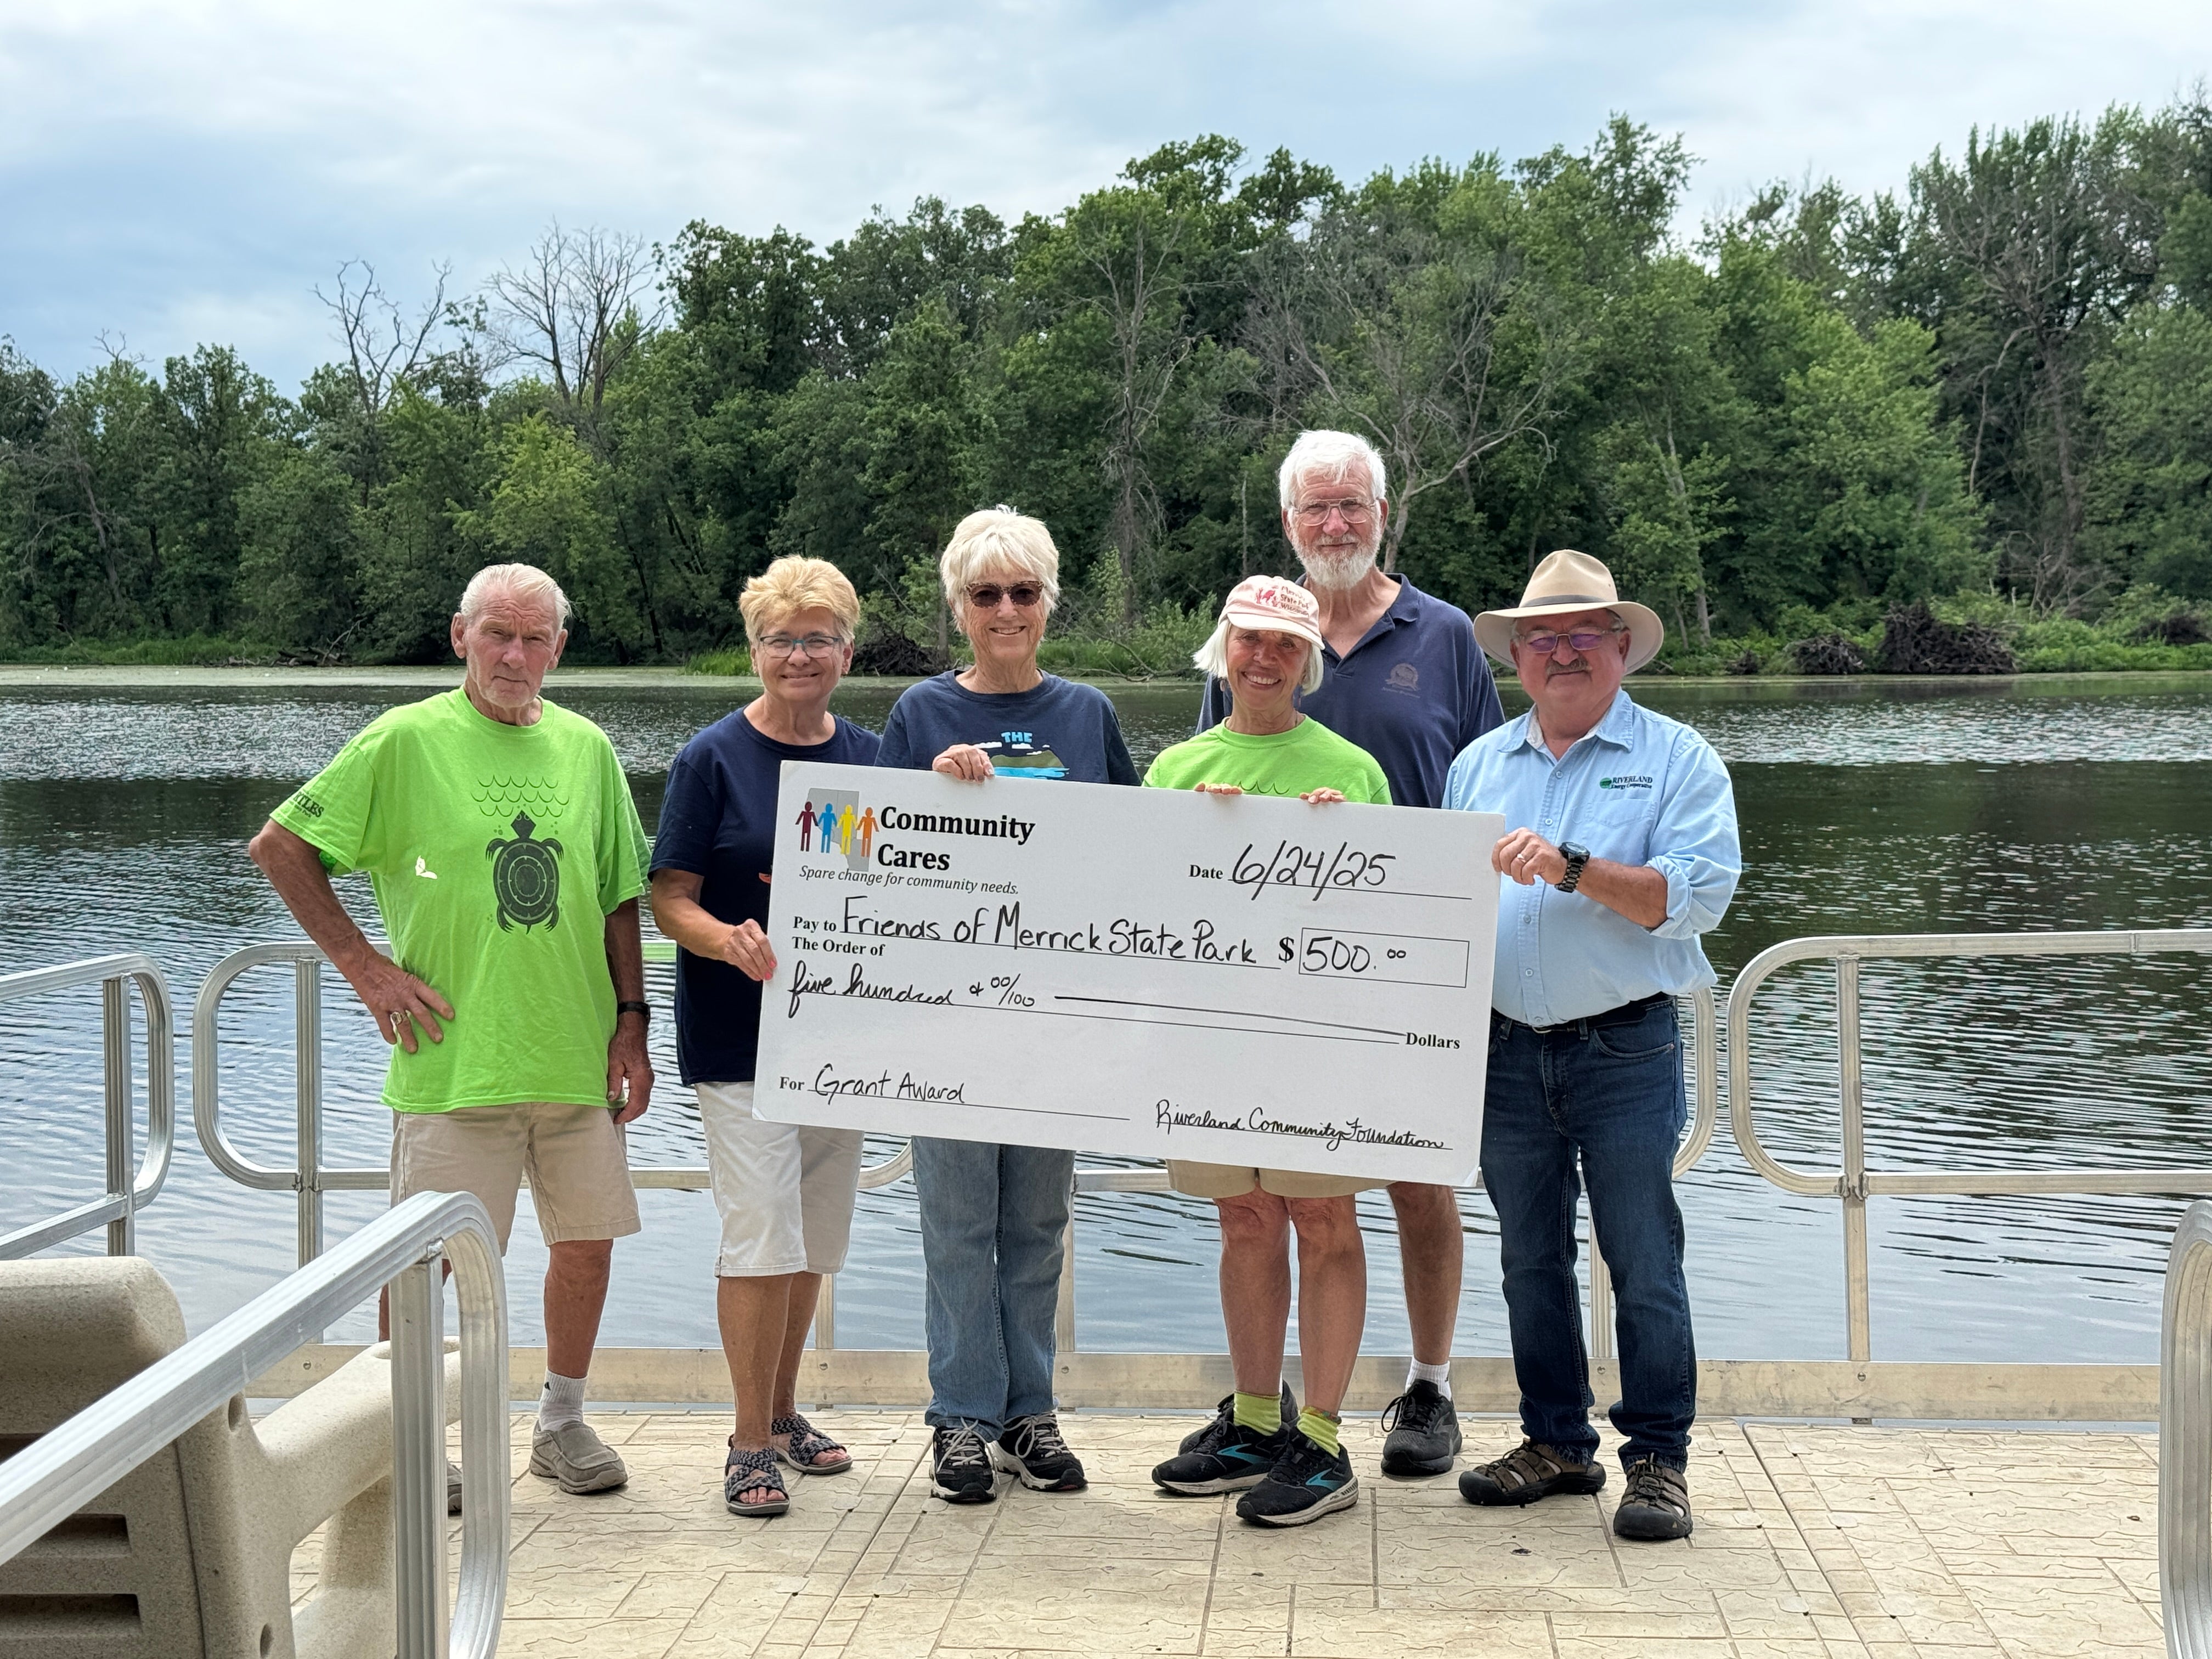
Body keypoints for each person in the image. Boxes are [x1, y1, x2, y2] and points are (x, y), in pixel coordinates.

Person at [248, 562, 652, 1508]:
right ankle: (412, 1442)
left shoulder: (587, 748)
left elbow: (619, 895)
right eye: (498, 634)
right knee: (422, 1265)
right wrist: (365, 967)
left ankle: (561, 1423)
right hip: (453, 1060)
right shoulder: (405, 741)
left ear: (559, 648)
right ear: (461, 635)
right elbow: (281, 847)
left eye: (535, 638)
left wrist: (633, 1024)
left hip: (576, 1053)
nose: (515, 655)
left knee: (587, 1245)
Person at [1199, 429, 1503, 1478]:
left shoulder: (1446, 635)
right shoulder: (1256, 630)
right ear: (1289, 522)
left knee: (1419, 1181)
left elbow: (1487, 786)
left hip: (1409, 965)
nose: (1335, 524)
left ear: (1382, 513)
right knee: (1270, 1198)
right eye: (1316, 507)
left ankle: (1429, 1385)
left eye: (1352, 505)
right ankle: (1261, 1410)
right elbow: (1209, 797)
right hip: (1264, 983)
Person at [1441, 549, 1740, 1542]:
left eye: (1582, 634)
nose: (1562, 652)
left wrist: (1574, 868)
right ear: (1517, 656)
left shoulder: (1681, 758)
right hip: (1503, 1052)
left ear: (1621, 647)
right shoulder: (1477, 766)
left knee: (1643, 1258)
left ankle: (1658, 1461)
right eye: (1542, 638)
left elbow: (1695, 899)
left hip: (1625, 1050)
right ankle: (1557, 1443)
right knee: (1529, 1259)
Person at [876, 506, 1138, 1504]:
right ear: (958, 607)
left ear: (1048, 602)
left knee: (1036, 1226)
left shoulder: (1089, 714)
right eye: (985, 594)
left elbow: (1140, 855)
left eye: (1024, 591)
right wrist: (931, 792)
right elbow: (873, 862)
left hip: (1056, 1021)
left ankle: (1032, 1412)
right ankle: (961, 1416)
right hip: (945, 1021)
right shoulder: (919, 714)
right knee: (954, 1226)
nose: (1006, 610)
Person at [1145, 575, 1391, 1528]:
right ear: (1222, 649)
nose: (1264, 658)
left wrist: (1342, 845)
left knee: (1324, 1219)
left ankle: (1322, 1443)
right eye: (1249, 639)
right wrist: (1191, 840)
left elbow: (1392, 918)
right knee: (1245, 1218)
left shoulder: (1354, 770)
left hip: (1318, 1040)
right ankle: (1254, 1423)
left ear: (1309, 663)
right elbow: (1135, 907)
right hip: (1207, 1041)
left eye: (1286, 645)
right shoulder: (1175, 770)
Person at [647, 557, 880, 1518]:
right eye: (781, 639)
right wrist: (724, 939)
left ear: (847, 653)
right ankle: (746, 1442)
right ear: (754, 651)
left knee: (813, 1239)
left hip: (841, 1042)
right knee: (759, 1238)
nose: (800, 656)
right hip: (739, 1040)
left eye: (819, 639)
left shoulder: (873, 758)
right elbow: (669, 898)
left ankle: (784, 1415)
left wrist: (962, 777)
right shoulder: (711, 758)